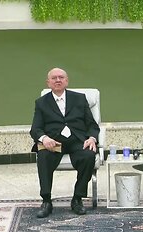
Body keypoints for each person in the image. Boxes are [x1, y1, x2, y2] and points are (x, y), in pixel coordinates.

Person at [30, 68, 100, 218]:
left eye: (61, 77)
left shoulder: (80, 99)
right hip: (54, 143)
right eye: (54, 78)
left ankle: (77, 199)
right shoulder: (41, 103)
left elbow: (92, 125)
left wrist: (92, 138)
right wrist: (44, 138)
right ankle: (46, 201)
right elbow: (35, 129)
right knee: (43, 157)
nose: (58, 80)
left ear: (67, 81)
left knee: (88, 155)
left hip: (77, 140)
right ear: (48, 83)